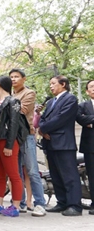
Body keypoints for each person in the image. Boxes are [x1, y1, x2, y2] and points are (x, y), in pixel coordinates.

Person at [39, 75, 82, 216]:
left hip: (64, 143)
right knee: (56, 175)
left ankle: (74, 205)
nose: (51, 86)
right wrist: (42, 128)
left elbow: (61, 119)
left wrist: (44, 128)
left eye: (53, 83)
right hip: (50, 142)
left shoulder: (70, 99)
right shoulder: (51, 101)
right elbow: (43, 117)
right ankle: (62, 202)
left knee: (69, 176)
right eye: (50, 83)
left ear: (63, 84)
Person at [9, 68, 47, 217]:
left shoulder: (29, 93)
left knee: (32, 171)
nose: (13, 79)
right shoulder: (11, 95)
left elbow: (22, 110)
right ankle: (22, 203)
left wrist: (6, 104)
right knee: (16, 172)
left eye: (16, 76)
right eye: (11, 77)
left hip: (27, 136)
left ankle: (40, 204)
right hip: (13, 137)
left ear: (24, 79)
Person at [0, 76, 23, 217]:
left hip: (6, 141)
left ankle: (16, 206)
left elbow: (14, 124)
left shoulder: (13, 101)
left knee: (13, 174)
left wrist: (9, 145)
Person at [76, 79, 94, 215]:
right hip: (90, 146)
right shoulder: (82, 105)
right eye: (92, 87)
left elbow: (87, 119)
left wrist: (90, 120)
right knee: (92, 176)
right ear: (87, 91)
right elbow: (80, 119)